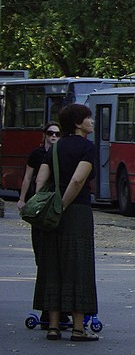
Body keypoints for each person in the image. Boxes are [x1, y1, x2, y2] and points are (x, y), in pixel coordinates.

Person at [34, 103, 99, 342]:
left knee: (53, 264)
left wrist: (50, 207)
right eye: (87, 118)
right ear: (77, 123)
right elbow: (77, 181)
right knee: (77, 266)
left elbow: (41, 180)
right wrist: (63, 205)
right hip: (76, 212)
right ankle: (78, 328)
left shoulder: (55, 147)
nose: (91, 121)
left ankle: (52, 326)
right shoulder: (87, 148)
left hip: (51, 215)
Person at [17, 122, 61, 324]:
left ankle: (53, 308)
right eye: (51, 133)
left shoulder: (61, 153)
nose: (54, 136)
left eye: (57, 134)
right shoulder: (37, 155)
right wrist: (22, 199)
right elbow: (28, 178)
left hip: (54, 206)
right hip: (40, 207)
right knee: (40, 253)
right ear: (44, 135)